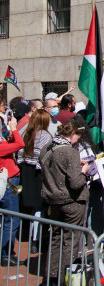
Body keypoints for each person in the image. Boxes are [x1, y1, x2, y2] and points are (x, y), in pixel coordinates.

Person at [39, 121, 90, 285]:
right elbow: (76, 183)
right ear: (73, 134)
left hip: (54, 201)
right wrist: (84, 172)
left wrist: (74, 167)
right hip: (72, 202)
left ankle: (51, 276)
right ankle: (64, 279)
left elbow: (56, 169)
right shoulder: (70, 151)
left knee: (56, 239)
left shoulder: (46, 148)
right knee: (70, 242)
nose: (78, 140)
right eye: (78, 136)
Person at [17, 109, 53, 253]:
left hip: (26, 172)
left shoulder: (26, 133)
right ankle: (35, 240)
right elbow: (45, 156)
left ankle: (34, 237)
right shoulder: (45, 135)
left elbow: (19, 153)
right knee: (40, 208)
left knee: (35, 208)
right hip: (38, 173)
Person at [0, 117, 24, 267]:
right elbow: (20, 144)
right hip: (8, 183)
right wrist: (14, 129)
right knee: (12, 219)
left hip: (8, 181)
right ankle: (6, 254)